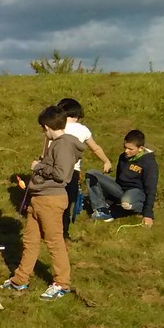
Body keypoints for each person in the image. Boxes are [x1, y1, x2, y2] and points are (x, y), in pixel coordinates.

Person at [0, 106, 84, 300]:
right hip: (38, 199)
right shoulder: (57, 144)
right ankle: (20, 279)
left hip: (50, 199)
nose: (42, 132)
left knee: (54, 242)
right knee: (30, 241)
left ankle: (61, 283)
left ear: (47, 127)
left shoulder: (63, 145)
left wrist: (39, 166)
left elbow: (62, 175)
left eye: (42, 129)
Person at [55, 98, 111, 239]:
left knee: (52, 202)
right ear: (78, 115)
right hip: (72, 171)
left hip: (55, 169)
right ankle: (63, 233)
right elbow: (95, 148)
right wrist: (106, 161)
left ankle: (48, 230)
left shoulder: (56, 127)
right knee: (66, 204)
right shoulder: (82, 129)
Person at [86, 129, 158, 227]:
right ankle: (101, 209)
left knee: (127, 201)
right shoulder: (123, 157)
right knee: (91, 174)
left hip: (136, 192)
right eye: (125, 147)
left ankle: (138, 208)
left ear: (140, 148)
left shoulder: (149, 163)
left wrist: (148, 214)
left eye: (130, 149)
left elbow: (151, 188)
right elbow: (119, 179)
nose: (126, 151)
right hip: (121, 189)